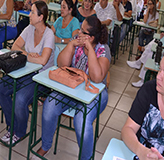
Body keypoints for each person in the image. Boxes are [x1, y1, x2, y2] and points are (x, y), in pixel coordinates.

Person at [34, 16, 111, 160]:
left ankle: (85, 158)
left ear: (92, 37)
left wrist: (90, 51)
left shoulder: (103, 48)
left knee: (81, 119)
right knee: (49, 105)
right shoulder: (76, 39)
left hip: (95, 93)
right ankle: (45, 146)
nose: (79, 33)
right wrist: (71, 45)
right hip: (72, 86)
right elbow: (61, 64)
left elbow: (97, 78)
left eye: (83, 31)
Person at [0, 1, 55, 144]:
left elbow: (42, 61)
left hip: (42, 77)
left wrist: (26, 55)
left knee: (20, 98)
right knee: (1, 87)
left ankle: (20, 131)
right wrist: (28, 54)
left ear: (41, 17)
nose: (29, 14)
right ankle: (12, 126)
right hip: (25, 70)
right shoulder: (29, 28)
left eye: (33, 12)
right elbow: (14, 46)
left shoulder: (49, 35)